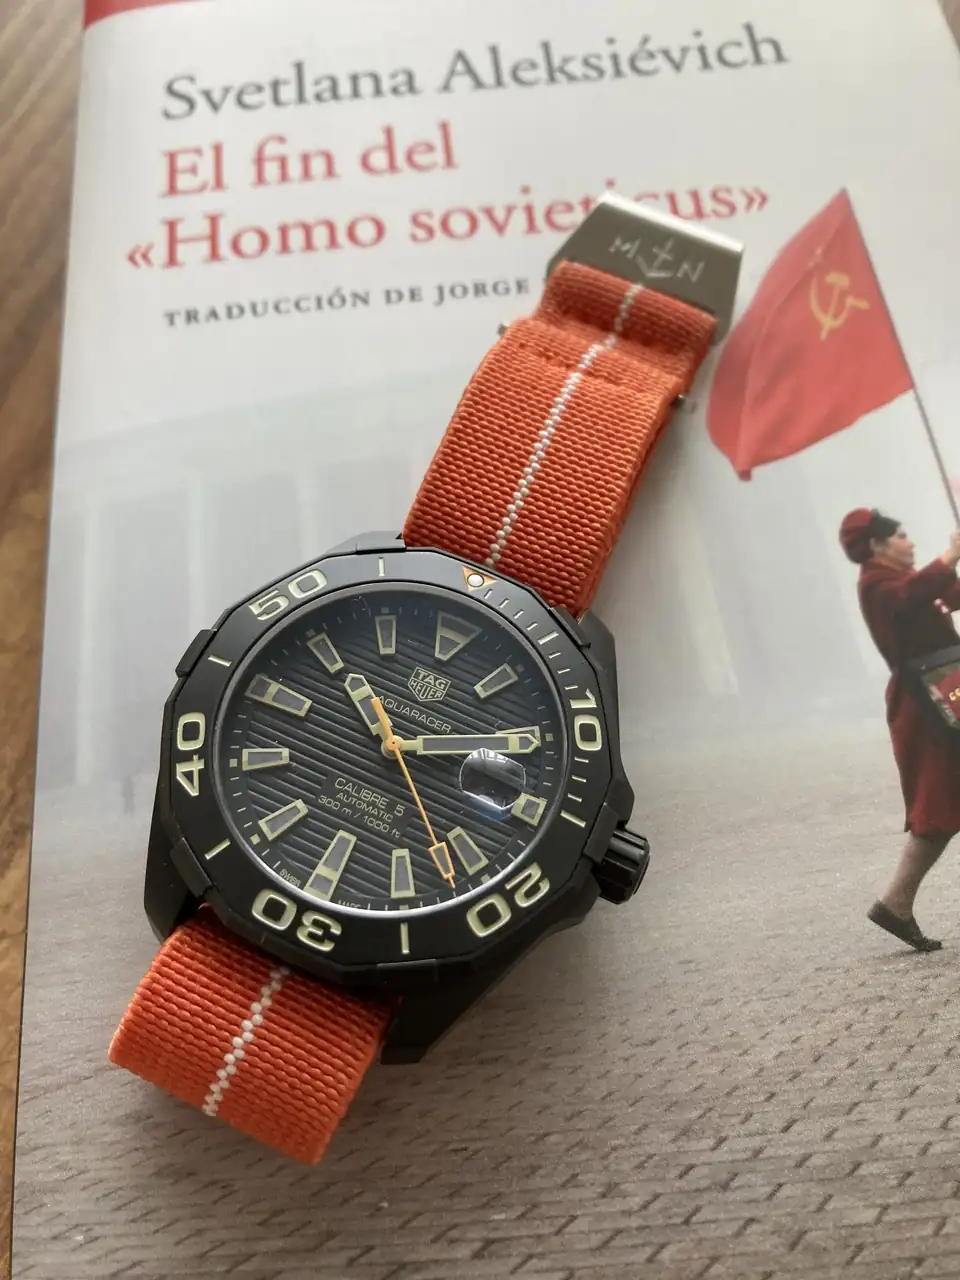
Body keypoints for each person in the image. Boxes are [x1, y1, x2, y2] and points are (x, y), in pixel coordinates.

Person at [839, 507, 960, 952]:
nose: (911, 542)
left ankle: (896, 903)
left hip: (946, 691)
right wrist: (948, 556)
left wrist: (951, 567)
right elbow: (912, 595)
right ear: (877, 545)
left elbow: (948, 593)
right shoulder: (877, 586)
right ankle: (895, 902)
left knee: (942, 808)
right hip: (923, 705)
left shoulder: (907, 579)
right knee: (937, 808)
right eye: (902, 535)